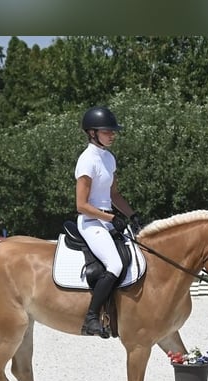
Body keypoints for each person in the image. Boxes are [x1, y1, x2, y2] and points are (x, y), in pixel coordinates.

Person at [75, 105, 141, 338]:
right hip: (91, 222)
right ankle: (91, 318)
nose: (112, 135)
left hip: (107, 220)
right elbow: (81, 205)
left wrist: (132, 215)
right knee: (115, 264)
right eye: (107, 131)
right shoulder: (86, 161)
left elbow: (114, 195)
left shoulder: (109, 158)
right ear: (92, 133)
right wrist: (112, 217)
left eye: (113, 131)